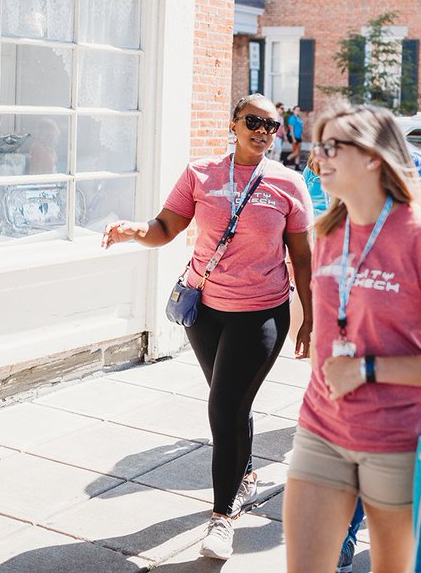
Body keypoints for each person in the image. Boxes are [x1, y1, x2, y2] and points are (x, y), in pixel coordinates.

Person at [102, 94, 313, 560]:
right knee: (234, 405)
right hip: (206, 311)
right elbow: (165, 226)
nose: (263, 131)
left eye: (272, 126)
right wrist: (134, 230)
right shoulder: (201, 173)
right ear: (233, 123)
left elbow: (302, 257)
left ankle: (223, 517)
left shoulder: (288, 184)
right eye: (254, 121)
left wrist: (310, 319)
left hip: (261, 312)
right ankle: (247, 473)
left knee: (224, 407)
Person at [284, 104, 421, 573]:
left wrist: (368, 369)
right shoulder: (329, 231)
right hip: (321, 428)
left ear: (375, 157)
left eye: (334, 146)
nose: (320, 156)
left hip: (399, 438)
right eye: (319, 145)